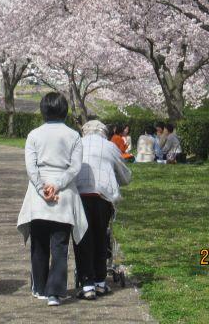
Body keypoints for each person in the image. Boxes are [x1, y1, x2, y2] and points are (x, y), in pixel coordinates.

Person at [17, 92, 87, 307]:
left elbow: (31, 167)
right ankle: (55, 292)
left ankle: (39, 288)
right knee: (60, 246)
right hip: (63, 195)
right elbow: (75, 168)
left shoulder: (34, 135)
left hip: (38, 198)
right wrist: (56, 186)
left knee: (38, 244)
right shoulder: (74, 136)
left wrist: (42, 188)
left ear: (43, 110)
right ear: (64, 110)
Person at [74, 120, 132, 300]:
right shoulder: (110, 147)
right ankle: (100, 282)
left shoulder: (77, 144)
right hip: (103, 197)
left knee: (82, 238)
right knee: (101, 237)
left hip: (80, 196)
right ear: (103, 132)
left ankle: (87, 284)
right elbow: (125, 176)